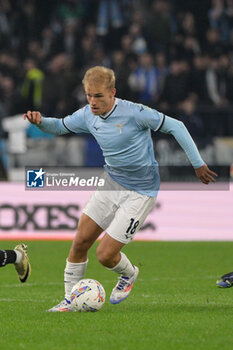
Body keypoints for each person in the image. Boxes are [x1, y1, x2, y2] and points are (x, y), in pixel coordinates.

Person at [24, 66, 217, 312]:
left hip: (141, 190)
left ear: (112, 93)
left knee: (105, 255)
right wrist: (41, 122)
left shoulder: (135, 113)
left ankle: (129, 274)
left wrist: (198, 164)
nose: (92, 102)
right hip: (111, 182)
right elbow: (60, 126)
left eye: (98, 96)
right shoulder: (87, 114)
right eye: (89, 95)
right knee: (80, 242)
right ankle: (70, 300)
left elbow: (176, 126)